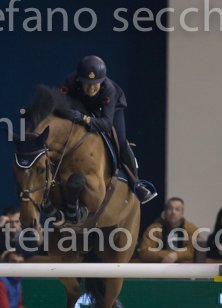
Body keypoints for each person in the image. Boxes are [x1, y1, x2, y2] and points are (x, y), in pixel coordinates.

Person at [59, 55, 156, 204]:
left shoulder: (108, 90)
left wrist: (83, 118)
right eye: (87, 84)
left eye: (95, 84)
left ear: (102, 81)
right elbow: (58, 104)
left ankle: (136, 183)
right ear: (79, 80)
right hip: (82, 105)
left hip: (111, 110)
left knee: (121, 141)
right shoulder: (70, 81)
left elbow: (105, 124)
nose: (91, 88)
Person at [138, 197, 199, 263]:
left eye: (177, 209)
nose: (173, 212)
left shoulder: (191, 229)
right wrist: (168, 256)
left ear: (182, 212)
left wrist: (177, 256)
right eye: (170, 209)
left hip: (183, 265)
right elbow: (145, 252)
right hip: (159, 264)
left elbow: (192, 251)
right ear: (165, 211)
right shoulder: (153, 229)